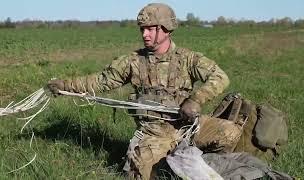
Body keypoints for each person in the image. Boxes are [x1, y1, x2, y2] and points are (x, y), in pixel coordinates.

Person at [47, 3, 231, 179]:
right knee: (140, 171)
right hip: (154, 134)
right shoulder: (132, 61)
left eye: (150, 29)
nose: (145, 34)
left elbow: (220, 77)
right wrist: (65, 85)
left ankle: (202, 163)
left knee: (229, 132)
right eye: (142, 29)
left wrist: (197, 99)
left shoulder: (189, 59)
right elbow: (101, 81)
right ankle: (171, 166)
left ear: (166, 29)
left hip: (188, 127)